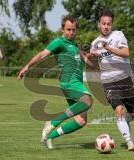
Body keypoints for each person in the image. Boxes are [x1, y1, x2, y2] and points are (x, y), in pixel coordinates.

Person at [18, 16, 93, 149]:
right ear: (62, 29)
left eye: (73, 30)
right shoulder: (58, 42)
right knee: (87, 101)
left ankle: (49, 138)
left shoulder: (74, 45)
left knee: (81, 121)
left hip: (76, 82)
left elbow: (84, 57)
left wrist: (92, 58)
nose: (71, 32)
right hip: (69, 82)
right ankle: (53, 121)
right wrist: (27, 66)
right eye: (68, 29)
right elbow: (42, 54)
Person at [90, 10, 134, 151]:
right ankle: (129, 142)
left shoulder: (118, 35)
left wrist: (108, 48)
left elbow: (126, 53)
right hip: (108, 82)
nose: (106, 26)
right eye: (103, 24)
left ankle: (125, 122)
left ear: (112, 25)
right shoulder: (95, 43)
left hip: (125, 79)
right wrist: (90, 55)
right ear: (99, 24)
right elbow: (93, 62)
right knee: (119, 110)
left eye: (109, 24)